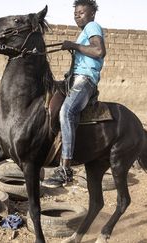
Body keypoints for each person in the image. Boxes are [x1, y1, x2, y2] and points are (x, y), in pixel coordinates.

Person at [42, 0, 106, 188]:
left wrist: (74, 46)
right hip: (74, 79)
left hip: (85, 80)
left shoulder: (93, 26)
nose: (77, 16)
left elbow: (99, 51)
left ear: (92, 14)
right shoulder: (84, 32)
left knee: (67, 112)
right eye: (76, 13)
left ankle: (65, 170)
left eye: (81, 13)